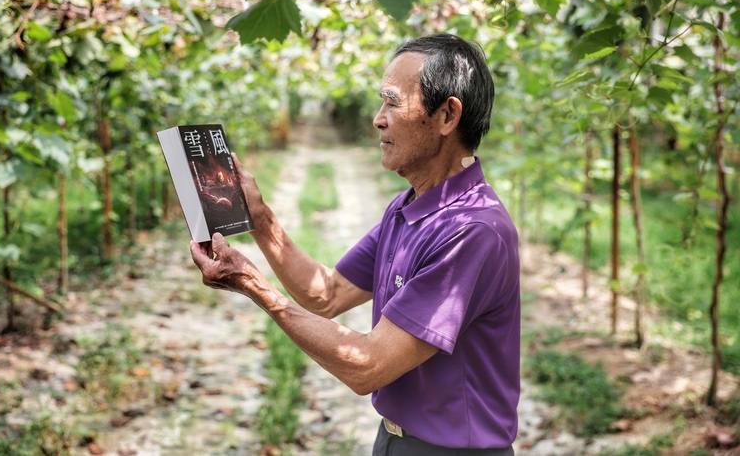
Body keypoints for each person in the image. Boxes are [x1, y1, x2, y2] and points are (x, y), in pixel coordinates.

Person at [190, 34, 520, 455]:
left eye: (392, 102)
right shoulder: (410, 207)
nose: (378, 119)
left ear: (446, 116)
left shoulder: (471, 231)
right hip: (394, 439)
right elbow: (326, 293)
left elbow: (368, 366)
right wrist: (261, 220)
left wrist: (254, 285)